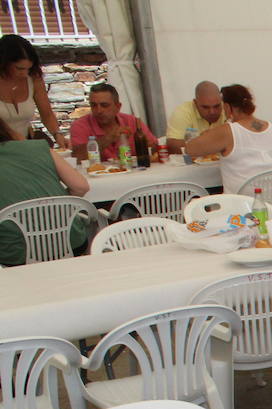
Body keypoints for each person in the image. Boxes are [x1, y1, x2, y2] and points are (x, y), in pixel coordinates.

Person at [0, 126, 90, 265]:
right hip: (70, 241)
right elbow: (81, 187)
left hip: (15, 253)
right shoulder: (39, 147)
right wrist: (51, 204)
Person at [184, 84, 272, 195]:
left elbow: (190, 149)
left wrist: (209, 135)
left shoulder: (228, 131)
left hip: (243, 206)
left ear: (226, 107)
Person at [68, 82, 155, 162]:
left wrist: (150, 146)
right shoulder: (80, 126)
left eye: (104, 105)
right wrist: (108, 138)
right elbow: (77, 157)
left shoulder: (132, 121)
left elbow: (155, 148)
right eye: (94, 105)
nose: (99, 110)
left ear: (118, 107)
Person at [0, 35, 62, 144]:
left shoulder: (33, 79)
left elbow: (47, 114)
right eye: (19, 68)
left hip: (24, 144)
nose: (24, 74)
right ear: (4, 63)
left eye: (28, 69)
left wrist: (57, 134)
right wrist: (12, 136)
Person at [165, 80, 226, 154]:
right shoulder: (183, 111)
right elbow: (172, 145)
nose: (212, 112)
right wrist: (207, 143)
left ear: (221, 100)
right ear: (195, 103)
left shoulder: (228, 108)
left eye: (216, 106)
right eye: (205, 107)